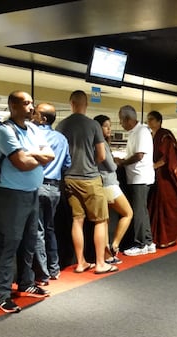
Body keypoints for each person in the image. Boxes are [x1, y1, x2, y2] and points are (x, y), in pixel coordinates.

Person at [0, 91, 54, 313]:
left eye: (31, 103)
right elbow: (20, 162)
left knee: (30, 242)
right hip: (11, 195)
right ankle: (2, 293)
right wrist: (36, 156)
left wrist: (33, 155)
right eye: (26, 103)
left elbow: (50, 156)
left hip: (32, 193)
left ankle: (27, 282)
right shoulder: (4, 131)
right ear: (13, 106)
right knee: (10, 244)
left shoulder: (35, 129)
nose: (31, 107)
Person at [56, 91, 117, 275]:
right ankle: (100, 263)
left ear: (71, 103)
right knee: (100, 221)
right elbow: (101, 155)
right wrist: (90, 163)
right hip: (90, 177)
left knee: (77, 220)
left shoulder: (61, 125)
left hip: (69, 178)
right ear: (86, 104)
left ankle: (81, 262)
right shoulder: (93, 125)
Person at [31, 103, 71, 283]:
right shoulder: (61, 138)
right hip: (55, 188)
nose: (32, 115)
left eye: (36, 113)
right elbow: (67, 164)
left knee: (38, 230)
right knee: (50, 228)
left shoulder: (35, 135)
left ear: (43, 118)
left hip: (38, 185)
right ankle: (55, 268)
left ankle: (42, 273)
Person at [115, 105, 156, 256]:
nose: (120, 123)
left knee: (138, 212)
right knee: (142, 211)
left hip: (140, 177)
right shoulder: (136, 132)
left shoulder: (141, 131)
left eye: (121, 120)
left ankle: (141, 244)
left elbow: (139, 155)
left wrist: (122, 162)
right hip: (137, 176)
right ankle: (148, 241)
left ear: (127, 119)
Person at [94, 115, 133, 264]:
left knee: (104, 221)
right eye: (106, 126)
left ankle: (106, 255)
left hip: (99, 184)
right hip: (109, 184)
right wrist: (116, 162)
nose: (109, 129)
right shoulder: (101, 143)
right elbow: (111, 166)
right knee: (128, 213)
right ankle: (114, 246)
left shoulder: (93, 142)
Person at [146, 110, 177, 248]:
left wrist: (153, 166)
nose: (149, 122)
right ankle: (156, 237)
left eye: (151, 119)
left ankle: (167, 237)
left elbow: (167, 157)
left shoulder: (165, 135)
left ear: (158, 121)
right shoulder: (151, 135)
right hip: (155, 176)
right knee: (155, 205)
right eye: (148, 119)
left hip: (165, 176)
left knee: (166, 205)